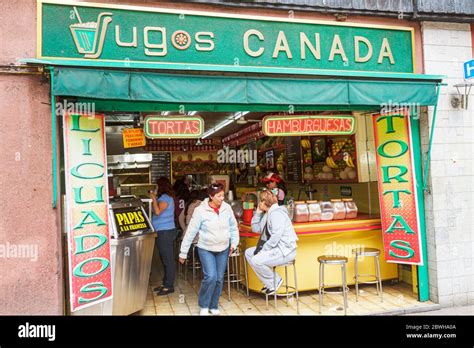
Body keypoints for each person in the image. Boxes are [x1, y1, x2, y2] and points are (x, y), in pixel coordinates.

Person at [179, 183, 239, 316]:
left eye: (223, 195)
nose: (222, 198)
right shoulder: (200, 210)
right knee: (210, 276)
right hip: (206, 248)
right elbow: (190, 232)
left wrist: (234, 244)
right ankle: (204, 305)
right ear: (211, 196)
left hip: (223, 248)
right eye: (219, 196)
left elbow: (233, 227)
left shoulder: (227, 208)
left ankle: (213, 305)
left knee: (218, 279)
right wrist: (183, 252)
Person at [245, 190, 298, 295]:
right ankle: (269, 282)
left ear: (264, 202)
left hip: (284, 251)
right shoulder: (268, 214)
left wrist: (263, 250)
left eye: (260, 202)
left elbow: (275, 237)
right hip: (275, 249)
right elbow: (255, 228)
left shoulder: (276, 214)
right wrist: (258, 212)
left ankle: (275, 281)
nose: (258, 204)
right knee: (249, 253)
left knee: (256, 260)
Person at [150, 177, 177, 296]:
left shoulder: (165, 198)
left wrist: (153, 198)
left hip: (165, 232)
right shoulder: (165, 198)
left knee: (168, 260)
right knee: (164, 259)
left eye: (157, 186)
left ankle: (169, 286)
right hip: (163, 231)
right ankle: (165, 282)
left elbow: (157, 212)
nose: (156, 188)